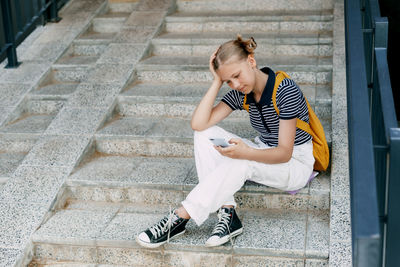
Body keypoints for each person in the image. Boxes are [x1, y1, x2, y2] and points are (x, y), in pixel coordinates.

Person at [136, 35, 315, 248]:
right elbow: (198, 124)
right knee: (204, 134)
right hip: (262, 150)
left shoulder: (285, 90)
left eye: (237, 76)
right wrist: (216, 81)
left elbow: (284, 152)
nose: (236, 84)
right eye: (228, 81)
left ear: (251, 61)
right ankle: (228, 212)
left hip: (295, 163)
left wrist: (245, 153)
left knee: (242, 160)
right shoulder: (241, 94)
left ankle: (181, 216)